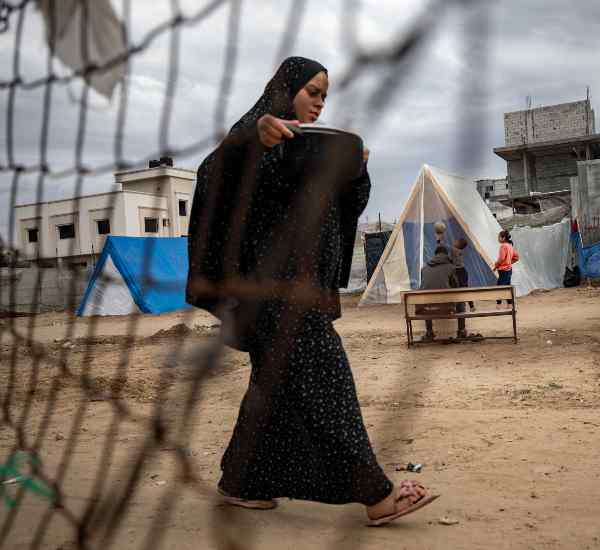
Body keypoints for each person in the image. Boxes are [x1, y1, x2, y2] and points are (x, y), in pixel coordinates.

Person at [186, 57, 438, 526]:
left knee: (272, 390)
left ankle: (243, 482)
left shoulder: (309, 150)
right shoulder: (255, 135)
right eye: (312, 92)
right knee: (328, 381)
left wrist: (355, 171)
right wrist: (251, 140)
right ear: (285, 90)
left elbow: (340, 211)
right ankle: (377, 494)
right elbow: (211, 176)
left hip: (300, 291)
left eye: (325, 95)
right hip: (272, 294)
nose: (320, 102)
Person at [418, 245, 465, 340]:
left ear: (435, 255)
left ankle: (429, 332)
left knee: (427, 299)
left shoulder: (424, 269)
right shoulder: (451, 268)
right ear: (446, 255)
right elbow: (456, 287)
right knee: (461, 301)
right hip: (448, 308)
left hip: (427, 309)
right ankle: (461, 331)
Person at [494, 230, 519, 308]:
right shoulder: (510, 245)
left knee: (500, 287)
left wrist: (496, 264)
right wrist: (509, 263)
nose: (498, 239)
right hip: (509, 270)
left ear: (503, 238)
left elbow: (501, 258)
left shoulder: (503, 246)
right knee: (507, 286)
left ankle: (498, 304)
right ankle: (509, 304)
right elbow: (516, 257)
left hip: (503, 270)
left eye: (499, 237)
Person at [450, 238, 475, 312]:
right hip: (463, 271)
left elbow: (444, 247)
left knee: (455, 289)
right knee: (465, 288)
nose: (454, 241)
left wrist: (439, 239)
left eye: (456, 241)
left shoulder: (454, 250)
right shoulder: (458, 251)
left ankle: (456, 307)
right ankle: (471, 306)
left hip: (458, 271)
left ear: (458, 244)